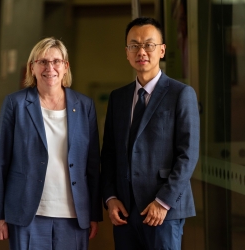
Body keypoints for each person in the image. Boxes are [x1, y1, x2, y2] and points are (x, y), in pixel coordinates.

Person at [0, 37, 102, 250]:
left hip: (73, 215)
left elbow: (92, 164)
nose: (49, 68)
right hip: (27, 213)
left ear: (65, 66)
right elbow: (0, 162)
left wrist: (94, 214)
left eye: (56, 61)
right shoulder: (15, 104)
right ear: (32, 67)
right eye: (42, 62)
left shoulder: (85, 106)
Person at [100, 17, 199, 250]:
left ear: (162, 50)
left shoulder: (181, 94)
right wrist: (110, 197)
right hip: (124, 211)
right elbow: (109, 153)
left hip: (164, 210)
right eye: (134, 45)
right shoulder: (118, 98)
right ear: (127, 52)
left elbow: (188, 154)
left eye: (149, 45)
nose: (141, 51)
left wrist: (163, 202)